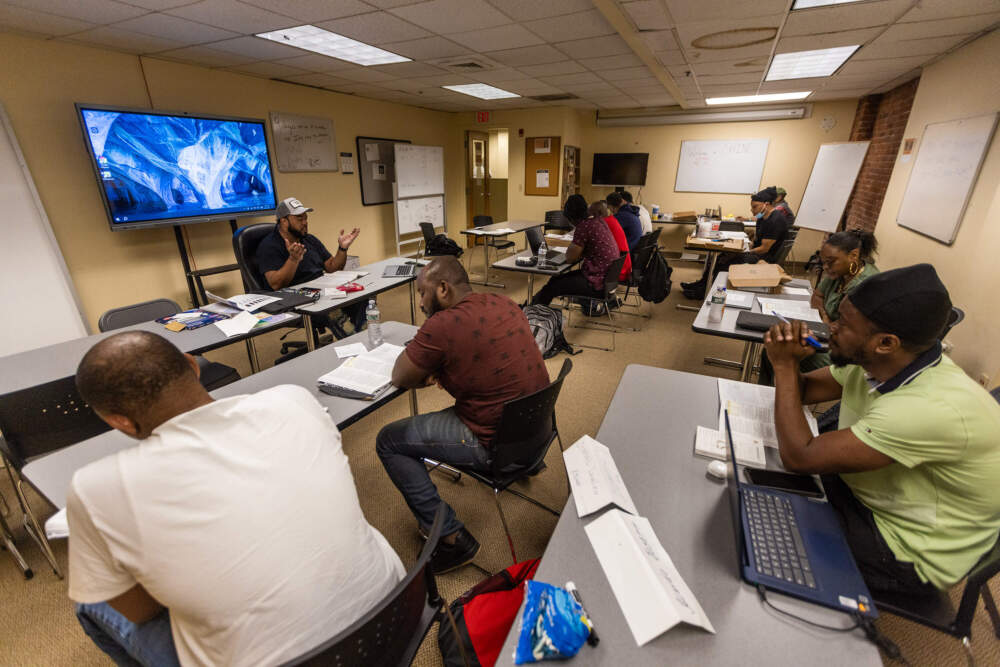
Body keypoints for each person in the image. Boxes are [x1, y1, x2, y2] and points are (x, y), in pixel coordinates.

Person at [68, 331, 404, 667]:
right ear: (193, 366)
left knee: (91, 603)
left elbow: (141, 611)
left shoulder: (94, 487)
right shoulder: (293, 400)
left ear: (117, 420)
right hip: (394, 618)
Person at [762, 264, 1000, 594]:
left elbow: (800, 457)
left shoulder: (927, 407)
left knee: (767, 531)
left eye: (842, 325)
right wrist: (790, 362)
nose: (830, 328)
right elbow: (803, 391)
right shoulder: (884, 362)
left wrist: (785, 364)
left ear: (885, 342)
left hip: (906, 548)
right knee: (759, 484)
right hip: (870, 496)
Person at [376, 257, 550, 573]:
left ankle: (451, 539)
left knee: (389, 440)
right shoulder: (504, 302)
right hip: (538, 433)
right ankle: (529, 464)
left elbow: (400, 377)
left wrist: (429, 369)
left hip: (494, 442)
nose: (420, 302)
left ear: (442, 288)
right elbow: (487, 356)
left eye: (421, 292)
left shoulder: (442, 325)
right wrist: (442, 368)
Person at [759, 229, 880, 384]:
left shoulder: (867, 284)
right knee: (772, 349)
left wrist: (829, 325)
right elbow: (817, 295)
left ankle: (782, 398)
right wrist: (824, 316)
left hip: (846, 352)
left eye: (830, 262)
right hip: (825, 335)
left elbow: (852, 328)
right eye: (823, 262)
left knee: (782, 354)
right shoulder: (841, 272)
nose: (825, 267)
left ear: (854, 255)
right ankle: (768, 394)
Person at [255, 196, 364, 332]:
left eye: (306, 218)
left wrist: (342, 248)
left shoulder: (309, 239)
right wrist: (293, 260)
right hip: (295, 299)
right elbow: (276, 284)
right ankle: (353, 343)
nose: (305, 222)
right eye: (299, 219)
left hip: (322, 290)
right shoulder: (269, 246)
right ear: (284, 221)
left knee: (361, 298)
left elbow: (332, 267)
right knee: (333, 310)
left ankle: (362, 335)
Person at [681, 186, 792, 299]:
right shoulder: (762, 217)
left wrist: (744, 251)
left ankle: (704, 293)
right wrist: (744, 247)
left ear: (766, 204)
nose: (752, 210)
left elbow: (764, 248)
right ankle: (701, 285)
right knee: (719, 258)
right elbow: (757, 240)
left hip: (764, 257)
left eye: (755, 207)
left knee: (725, 263)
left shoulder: (776, 220)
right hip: (757, 253)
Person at [530, 194, 620, 307]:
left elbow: (570, 258)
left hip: (596, 283)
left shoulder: (583, 226)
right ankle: (532, 307)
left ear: (572, 218)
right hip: (606, 279)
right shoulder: (599, 221)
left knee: (554, 285)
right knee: (555, 280)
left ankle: (532, 311)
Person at [591, 200, 631, 282]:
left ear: (597, 213)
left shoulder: (603, 223)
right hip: (623, 267)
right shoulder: (612, 219)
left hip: (616, 272)